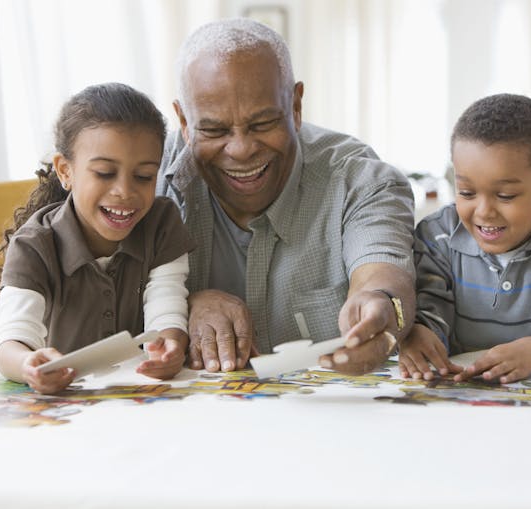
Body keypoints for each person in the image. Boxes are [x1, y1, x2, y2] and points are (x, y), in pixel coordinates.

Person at [157, 18, 416, 376]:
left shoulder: (360, 181)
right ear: (184, 121)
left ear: (295, 106)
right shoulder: (144, 175)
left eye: (262, 124)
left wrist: (382, 308)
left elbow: (385, 277)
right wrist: (178, 305)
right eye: (214, 130)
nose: (242, 149)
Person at [0, 83, 196, 394]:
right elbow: (9, 341)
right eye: (104, 173)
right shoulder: (34, 245)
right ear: (65, 171)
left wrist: (169, 346)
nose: (125, 191)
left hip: (139, 399)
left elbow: (166, 307)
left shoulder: (161, 224)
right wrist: (29, 364)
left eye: (143, 177)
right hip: (64, 406)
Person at [399, 93, 531, 383]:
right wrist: (418, 334)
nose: (484, 211)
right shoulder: (436, 236)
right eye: (466, 192)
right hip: (456, 398)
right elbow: (429, 310)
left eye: (505, 196)